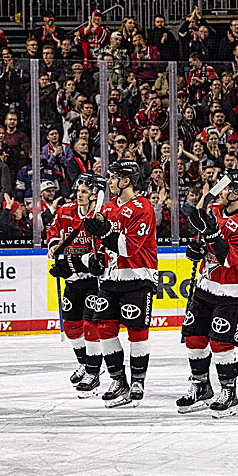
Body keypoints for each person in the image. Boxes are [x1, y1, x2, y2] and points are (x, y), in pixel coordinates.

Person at [179, 169, 238, 417]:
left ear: (237, 193)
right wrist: (195, 249)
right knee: (194, 338)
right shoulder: (214, 211)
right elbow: (202, 237)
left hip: (233, 292)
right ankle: (201, 387)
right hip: (206, 287)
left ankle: (228, 391)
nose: (220, 192)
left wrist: (213, 235)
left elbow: (229, 259)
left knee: (221, 343)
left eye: (225, 188)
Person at [79, 161, 158, 407]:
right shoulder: (110, 208)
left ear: (127, 180)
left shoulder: (143, 207)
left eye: (114, 178)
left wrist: (104, 235)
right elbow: (106, 248)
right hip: (110, 279)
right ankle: (117, 380)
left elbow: (128, 247)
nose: (110, 182)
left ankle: (137, 381)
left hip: (137, 278)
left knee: (137, 334)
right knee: (105, 331)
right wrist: (96, 260)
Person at [46, 173, 106, 394]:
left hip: (94, 282)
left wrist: (72, 262)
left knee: (91, 327)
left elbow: (98, 256)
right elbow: (53, 232)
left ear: (94, 196)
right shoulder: (66, 211)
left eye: (84, 192)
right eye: (78, 191)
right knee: (71, 327)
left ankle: (93, 370)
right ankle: (84, 363)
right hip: (72, 281)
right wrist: (54, 246)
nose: (78, 195)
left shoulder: (102, 216)